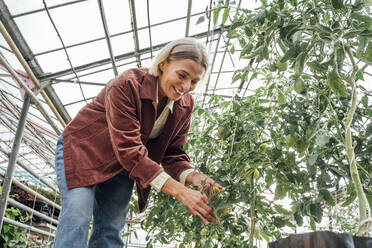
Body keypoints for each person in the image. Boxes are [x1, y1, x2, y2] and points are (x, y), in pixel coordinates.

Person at [53, 37, 221, 248]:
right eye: (182, 75)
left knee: (111, 227)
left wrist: (193, 176)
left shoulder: (185, 105)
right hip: (84, 151)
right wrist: (180, 191)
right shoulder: (127, 85)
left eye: (194, 81)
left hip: (124, 166)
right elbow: (129, 149)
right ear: (163, 64)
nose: (186, 86)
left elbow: (172, 152)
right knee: (77, 216)